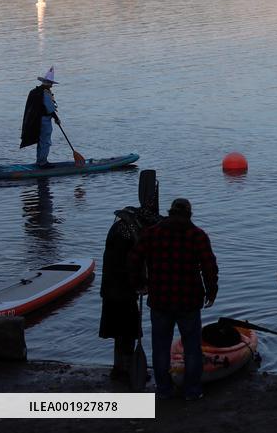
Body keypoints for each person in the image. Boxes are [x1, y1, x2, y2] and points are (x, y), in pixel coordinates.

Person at [128, 198, 218, 401]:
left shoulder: (152, 234)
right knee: (192, 348)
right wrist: (212, 292)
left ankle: (164, 390)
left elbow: (133, 259)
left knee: (160, 347)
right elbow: (209, 266)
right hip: (189, 300)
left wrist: (140, 284)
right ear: (189, 214)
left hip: (160, 299)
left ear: (170, 212)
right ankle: (192, 391)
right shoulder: (197, 235)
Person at [99, 170, 161, 381]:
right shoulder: (126, 231)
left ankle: (120, 368)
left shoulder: (126, 225)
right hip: (119, 289)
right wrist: (140, 283)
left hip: (114, 287)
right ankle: (125, 370)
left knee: (121, 331)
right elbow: (128, 263)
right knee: (126, 330)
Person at [20, 67, 60, 167]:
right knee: (45, 141)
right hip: (44, 120)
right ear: (49, 83)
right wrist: (56, 118)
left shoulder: (34, 91)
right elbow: (50, 108)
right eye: (51, 83)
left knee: (41, 141)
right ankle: (43, 162)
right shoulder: (45, 92)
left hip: (36, 120)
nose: (52, 86)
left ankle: (39, 161)